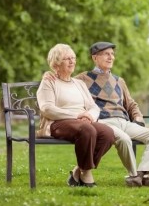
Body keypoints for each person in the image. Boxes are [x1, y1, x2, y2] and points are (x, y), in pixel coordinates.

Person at [74, 42, 149, 187]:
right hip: (102, 122)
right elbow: (65, 86)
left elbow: (131, 103)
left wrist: (138, 116)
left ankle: (144, 173)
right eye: (106, 54)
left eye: (112, 54)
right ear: (95, 58)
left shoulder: (119, 81)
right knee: (125, 139)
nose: (111, 57)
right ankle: (134, 175)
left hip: (124, 122)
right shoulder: (82, 78)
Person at [36, 43, 115, 187]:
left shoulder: (79, 84)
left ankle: (79, 170)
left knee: (108, 133)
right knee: (87, 130)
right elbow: (47, 109)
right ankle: (86, 174)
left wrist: (89, 116)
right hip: (58, 122)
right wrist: (77, 115)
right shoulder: (48, 82)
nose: (72, 61)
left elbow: (93, 106)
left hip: (83, 121)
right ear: (57, 63)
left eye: (73, 58)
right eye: (67, 59)